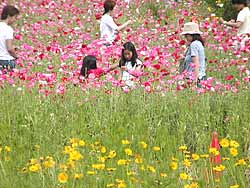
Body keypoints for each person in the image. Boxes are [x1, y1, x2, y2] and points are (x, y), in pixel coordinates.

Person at [180, 22, 206, 88]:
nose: (185, 37)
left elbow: (196, 64)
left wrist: (194, 82)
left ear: (191, 35)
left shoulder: (194, 45)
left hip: (194, 79)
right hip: (201, 77)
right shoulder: (198, 43)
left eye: (186, 35)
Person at [0, 5, 19, 71]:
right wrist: (16, 56)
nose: (15, 20)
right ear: (8, 16)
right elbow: (9, 49)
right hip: (6, 61)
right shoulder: (8, 29)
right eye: (15, 17)